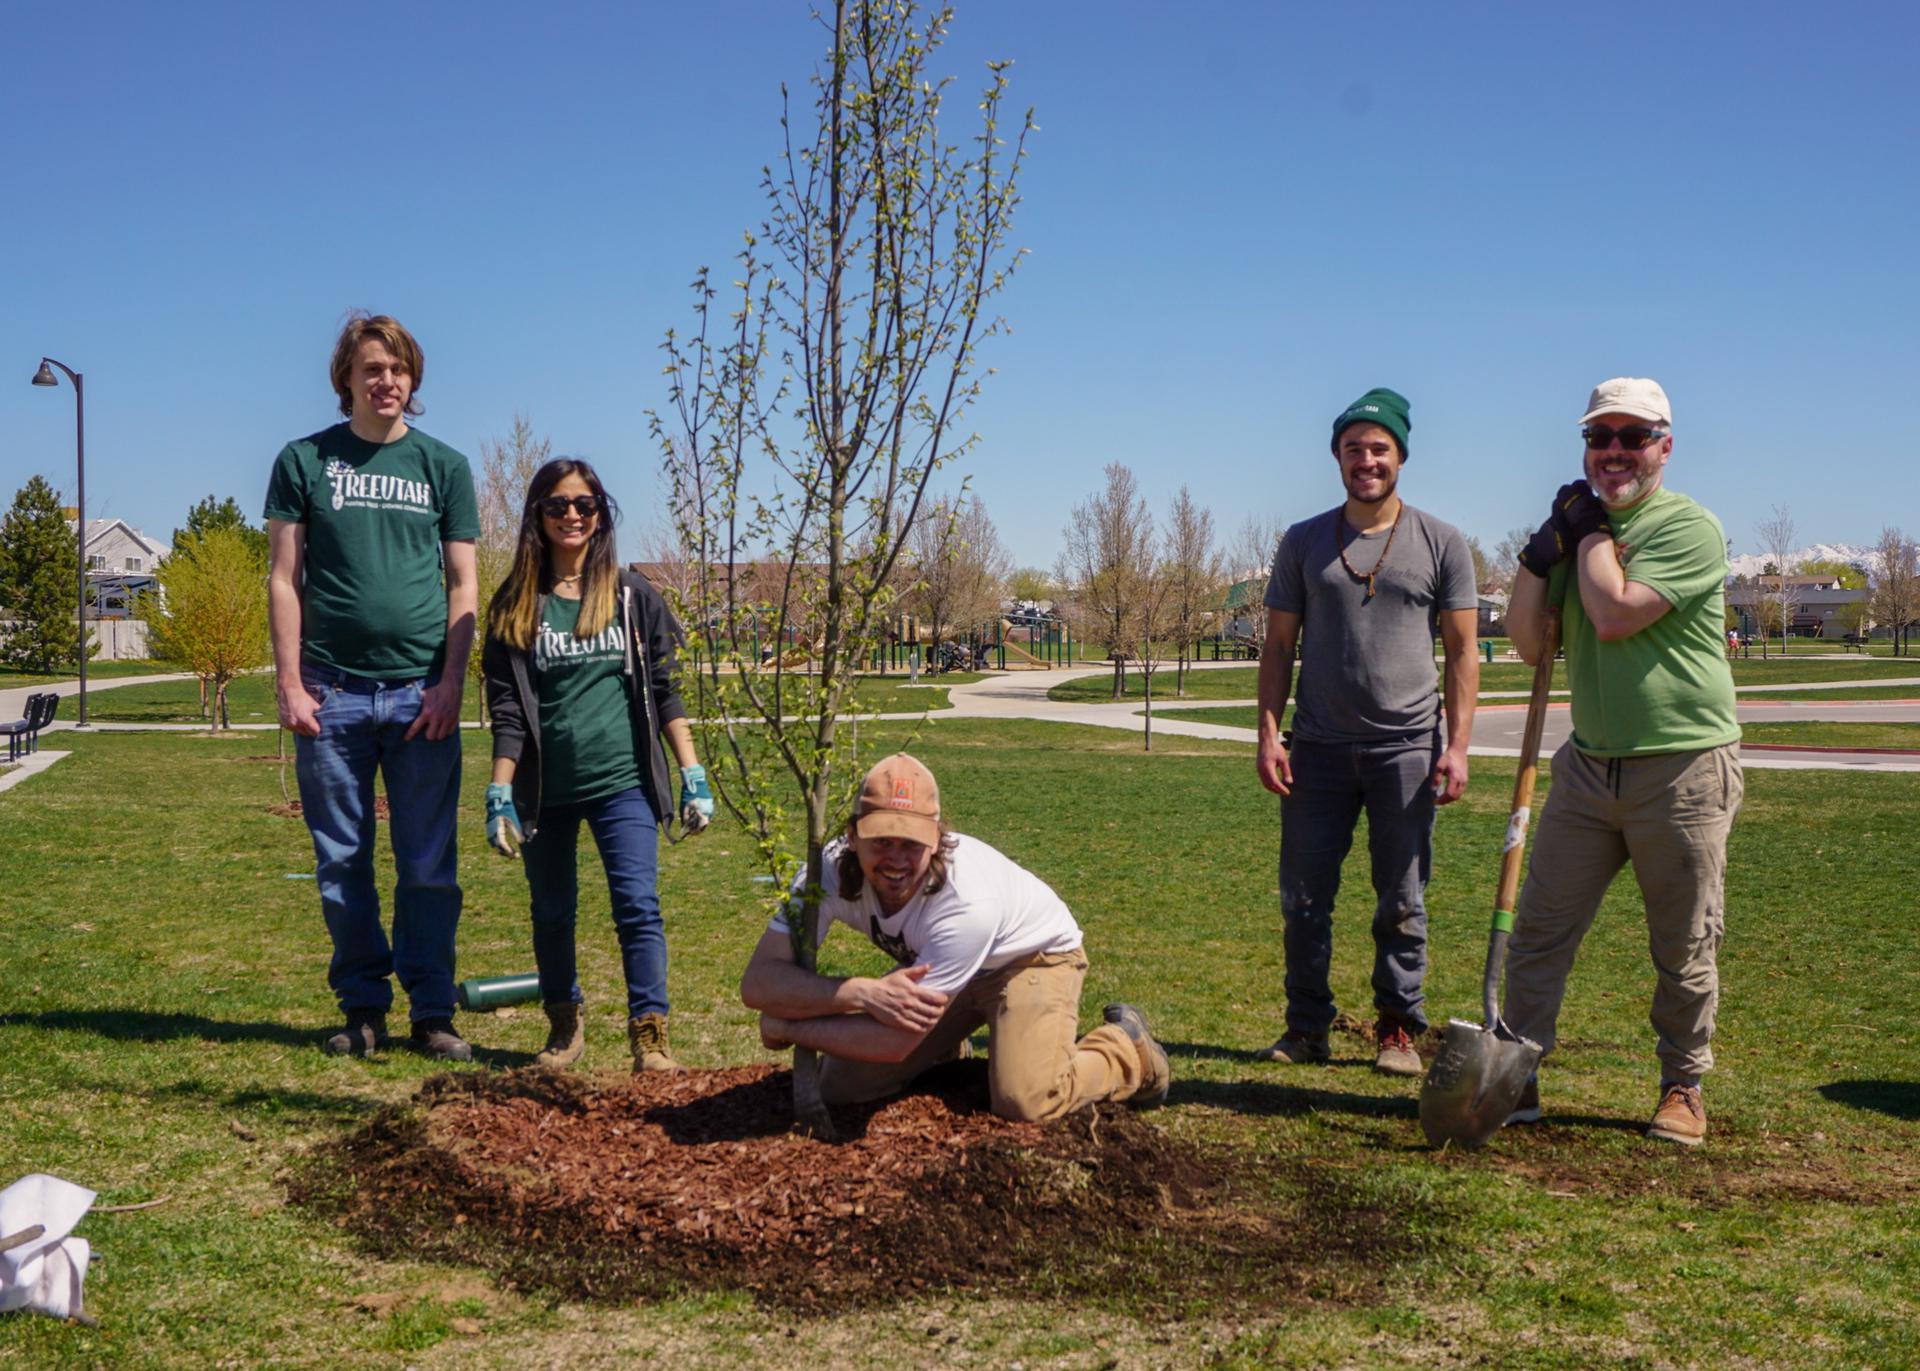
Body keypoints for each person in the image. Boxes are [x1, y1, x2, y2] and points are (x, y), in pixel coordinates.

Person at [1502, 377, 1742, 1146]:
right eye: (1599, 437)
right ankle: (1517, 1069)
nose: (1613, 452)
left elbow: (1612, 615)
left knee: (1683, 941)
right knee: (1539, 929)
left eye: (1632, 437)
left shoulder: (1689, 528)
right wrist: (1540, 559)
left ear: (1664, 447)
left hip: (1682, 769)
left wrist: (1590, 535)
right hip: (1588, 766)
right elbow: (1531, 644)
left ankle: (1684, 1083)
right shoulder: (1576, 540)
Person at [265, 313, 479, 1059]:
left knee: (428, 864)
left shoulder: (443, 467)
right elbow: (284, 579)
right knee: (342, 859)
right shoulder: (304, 461)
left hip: (423, 694)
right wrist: (290, 683)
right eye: (371, 369)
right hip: (333, 694)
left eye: (398, 369)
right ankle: (362, 1009)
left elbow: (463, 585)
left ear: (412, 379)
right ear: (346, 379)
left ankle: (432, 1010)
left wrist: (452, 682)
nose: (385, 381)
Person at [739, 753, 1170, 1122]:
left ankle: (1127, 1051)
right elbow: (758, 981)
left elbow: (894, 1042)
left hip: (1031, 958)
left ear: (937, 838)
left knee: (1028, 1100)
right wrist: (862, 993)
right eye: (881, 840)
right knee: (840, 1087)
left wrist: (789, 1025)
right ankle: (947, 1047)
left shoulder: (966, 902)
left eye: (911, 843)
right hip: (944, 964)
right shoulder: (825, 874)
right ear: (852, 837)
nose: (895, 860)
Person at [1254, 388, 1480, 1075]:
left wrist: (1459, 745)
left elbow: (1464, 650)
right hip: (1316, 748)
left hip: (1407, 746)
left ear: (1401, 456)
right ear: (1337, 457)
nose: (1367, 460)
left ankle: (1398, 1028)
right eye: (1353, 448)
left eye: (1379, 448)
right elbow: (1277, 645)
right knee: (1304, 899)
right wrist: (1269, 734)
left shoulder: (1441, 542)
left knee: (1403, 899)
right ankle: (1307, 1027)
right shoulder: (1303, 541)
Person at [480, 459, 714, 1072]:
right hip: (545, 790)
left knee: (637, 903)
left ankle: (650, 1036)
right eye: (558, 505)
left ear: (602, 513)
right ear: (538, 514)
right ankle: (564, 1026)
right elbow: (507, 712)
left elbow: (666, 690)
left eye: (586, 504)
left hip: (622, 785)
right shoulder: (515, 604)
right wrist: (499, 790)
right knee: (551, 911)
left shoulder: (634, 598)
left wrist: (692, 773)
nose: (573, 515)